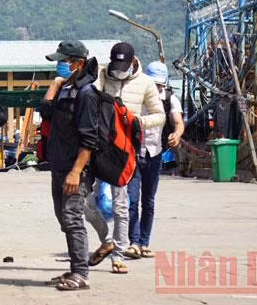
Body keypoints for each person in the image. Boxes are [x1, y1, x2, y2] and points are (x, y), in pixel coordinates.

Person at [85, 41, 165, 275]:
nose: (118, 70)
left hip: (124, 150)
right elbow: (89, 94)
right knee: (85, 202)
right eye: (115, 64)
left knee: (121, 205)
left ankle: (118, 256)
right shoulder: (103, 75)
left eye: (123, 65)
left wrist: (139, 121)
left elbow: (159, 115)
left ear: (133, 62)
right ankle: (107, 239)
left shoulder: (146, 83)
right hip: (98, 147)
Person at [38, 40, 101, 291]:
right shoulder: (67, 88)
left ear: (79, 63)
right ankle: (76, 266)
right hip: (59, 165)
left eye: (65, 61)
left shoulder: (86, 93)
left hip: (76, 169)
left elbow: (89, 139)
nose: (61, 65)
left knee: (73, 218)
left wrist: (76, 171)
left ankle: (81, 274)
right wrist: (54, 85)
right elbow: (45, 112)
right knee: (64, 218)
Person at [125, 61, 184, 259]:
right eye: (153, 83)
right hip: (133, 153)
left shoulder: (169, 99)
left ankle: (144, 242)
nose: (156, 88)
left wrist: (177, 134)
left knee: (148, 201)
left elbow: (178, 122)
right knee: (132, 201)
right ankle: (133, 242)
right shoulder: (134, 95)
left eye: (159, 84)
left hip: (154, 153)